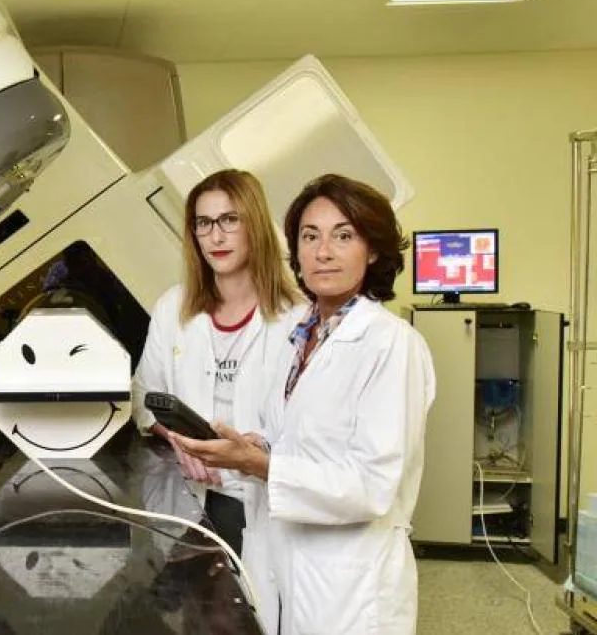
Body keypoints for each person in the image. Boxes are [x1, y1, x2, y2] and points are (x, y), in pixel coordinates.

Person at [176, 173, 436, 634]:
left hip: (350, 582)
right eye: (309, 236)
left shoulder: (391, 345)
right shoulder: (298, 335)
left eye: (344, 235)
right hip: (285, 563)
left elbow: (373, 485)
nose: (323, 252)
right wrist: (252, 445)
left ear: (372, 249)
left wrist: (262, 465)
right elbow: (296, 438)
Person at [131, 169, 303, 557]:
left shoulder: (296, 318)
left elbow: (307, 425)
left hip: (262, 496)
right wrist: (180, 440)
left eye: (229, 220)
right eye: (204, 223)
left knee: (262, 607)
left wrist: (252, 452)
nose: (216, 236)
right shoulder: (173, 308)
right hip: (191, 498)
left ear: (254, 225)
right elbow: (143, 396)